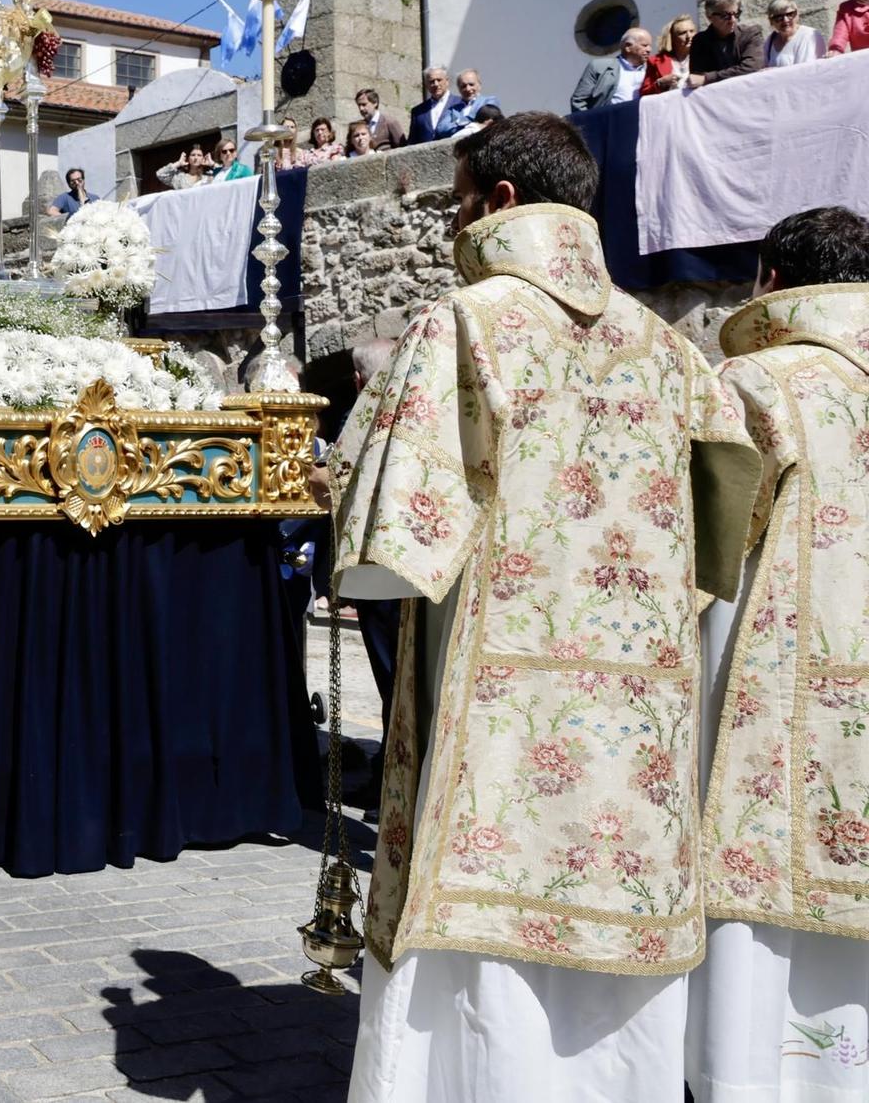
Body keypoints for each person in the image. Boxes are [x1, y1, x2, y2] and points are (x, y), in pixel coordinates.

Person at [324, 112, 759, 1103]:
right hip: (635, 721)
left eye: (455, 204)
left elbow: (390, 533)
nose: (450, 228)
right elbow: (724, 515)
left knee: (482, 958)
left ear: (500, 204)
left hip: (496, 718)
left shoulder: (463, 321)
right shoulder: (669, 351)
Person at [688, 205, 869, 1103]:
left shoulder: (756, 383)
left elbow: (696, 552)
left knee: (756, 859)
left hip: (766, 671)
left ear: (772, 282)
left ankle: (746, 1075)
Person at [691, 0, 765, 86]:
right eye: (725, 16)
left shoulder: (750, 34)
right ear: (709, 16)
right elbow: (696, 77)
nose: (733, 20)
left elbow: (751, 68)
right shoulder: (700, 41)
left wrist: (708, 78)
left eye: (736, 14)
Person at [570, 26, 652, 111]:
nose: (649, 50)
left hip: (641, 122)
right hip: (608, 122)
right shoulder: (599, 67)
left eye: (649, 46)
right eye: (644, 45)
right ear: (628, 47)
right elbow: (578, 101)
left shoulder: (652, 70)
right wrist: (592, 123)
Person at [762, 0, 826, 66]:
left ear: (797, 14)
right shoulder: (770, 41)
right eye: (778, 17)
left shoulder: (808, 35)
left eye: (790, 14)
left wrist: (773, 72)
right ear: (771, 21)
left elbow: (804, 70)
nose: (785, 20)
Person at [645, 14, 697, 95]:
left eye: (692, 31)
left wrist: (704, 79)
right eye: (682, 33)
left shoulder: (706, 55)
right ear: (671, 38)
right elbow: (644, 93)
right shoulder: (655, 61)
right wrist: (660, 83)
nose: (689, 36)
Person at [406, 66, 454, 143]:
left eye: (439, 80)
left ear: (447, 81)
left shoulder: (460, 103)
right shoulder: (418, 111)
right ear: (426, 85)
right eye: (432, 81)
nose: (436, 84)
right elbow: (412, 141)